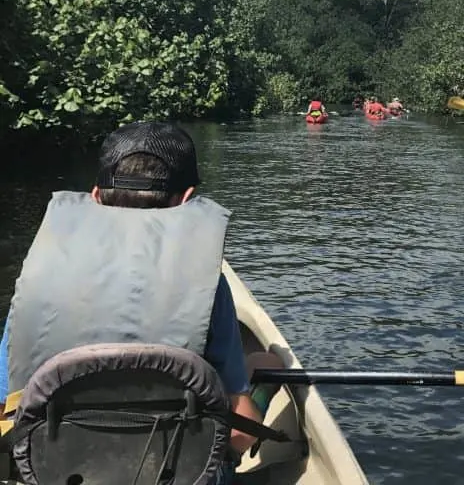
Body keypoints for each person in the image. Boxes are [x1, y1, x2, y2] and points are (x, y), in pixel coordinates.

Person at [0, 121, 283, 484]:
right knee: (265, 362)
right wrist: (258, 399)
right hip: (174, 475)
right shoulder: (211, 289)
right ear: (186, 199)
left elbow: (8, 414)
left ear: (96, 195)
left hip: (57, 474)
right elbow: (240, 436)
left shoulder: (40, 279)